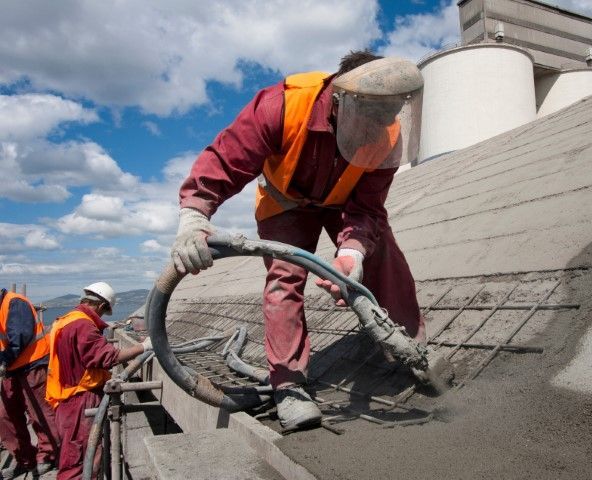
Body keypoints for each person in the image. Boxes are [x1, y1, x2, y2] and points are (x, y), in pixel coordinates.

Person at [171, 50, 426, 431]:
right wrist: (194, 218)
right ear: (340, 100)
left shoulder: (387, 129)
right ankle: (289, 385)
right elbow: (225, 160)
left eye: (389, 116)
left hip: (343, 199)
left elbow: (368, 208)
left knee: (383, 253)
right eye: (372, 117)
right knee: (284, 278)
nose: (380, 127)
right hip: (285, 202)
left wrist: (352, 252)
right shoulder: (283, 106)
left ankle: (411, 349)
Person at [45, 282, 152, 480]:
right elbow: (107, 357)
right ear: (101, 306)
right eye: (104, 313)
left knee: (74, 456)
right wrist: (143, 347)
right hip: (79, 400)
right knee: (82, 461)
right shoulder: (83, 325)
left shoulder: (66, 320)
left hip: (63, 399)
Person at [0, 288, 60, 478]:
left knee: (39, 413)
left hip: (32, 364)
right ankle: (25, 459)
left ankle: (49, 455)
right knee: (4, 415)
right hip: (11, 368)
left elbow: (19, 338)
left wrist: (2, 361)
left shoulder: (15, 303)